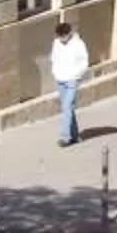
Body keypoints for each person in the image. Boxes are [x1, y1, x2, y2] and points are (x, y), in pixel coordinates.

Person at [50, 17, 90, 147]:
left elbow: (84, 61)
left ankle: (65, 137)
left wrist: (76, 75)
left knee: (66, 106)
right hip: (60, 79)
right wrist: (55, 72)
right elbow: (53, 58)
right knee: (68, 108)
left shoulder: (78, 44)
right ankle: (75, 136)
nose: (62, 39)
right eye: (59, 36)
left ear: (69, 33)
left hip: (72, 80)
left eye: (63, 36)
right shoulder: (56, 43)